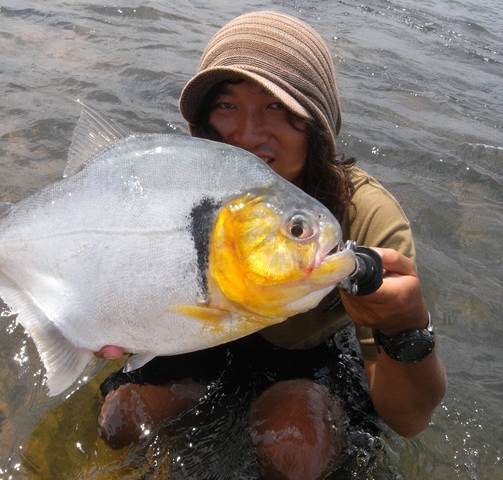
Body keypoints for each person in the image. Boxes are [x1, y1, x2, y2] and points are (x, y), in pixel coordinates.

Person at [96, 11, 447, 479]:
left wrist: (406, 332)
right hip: (203, 333)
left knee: (294, 449)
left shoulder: (364, 216)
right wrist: (106, 312)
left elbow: (408, 419)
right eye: (226, 106)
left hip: (305, 353)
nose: (246, 134)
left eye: (277, 108)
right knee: (121, 421)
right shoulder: (179, 192)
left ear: (317, 125)